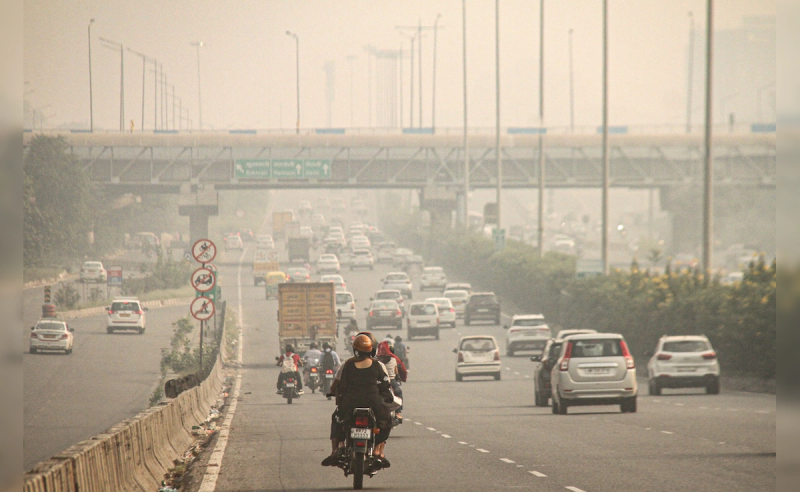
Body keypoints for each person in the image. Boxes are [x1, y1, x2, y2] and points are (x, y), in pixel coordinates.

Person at [322, 335, 393, 468]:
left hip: (350, 402)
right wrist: (386, 396)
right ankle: (377, 451)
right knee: (386, 420)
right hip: (373, 402)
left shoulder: (347, 364)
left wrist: (335, 392)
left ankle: (337, 449)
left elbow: (339, 384)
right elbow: (385, 385)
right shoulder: (378, 365)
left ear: (355, 349)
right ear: (371, 349)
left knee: (337, 419)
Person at [376, 340, 407, 421]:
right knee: (398, 392)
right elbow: (397, 371)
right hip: (390, 381)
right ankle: (398, 412)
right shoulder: (394, 359)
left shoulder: (375, 361)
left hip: (380, 382)